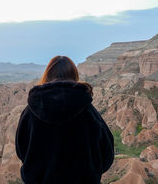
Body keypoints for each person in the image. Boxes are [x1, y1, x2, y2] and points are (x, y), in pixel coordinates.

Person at [15, 55, 114, 184]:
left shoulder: (30, 112)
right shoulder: (88, 111)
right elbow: (107, 154)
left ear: (47, 75)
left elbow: (21, 151)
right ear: (74, 75)